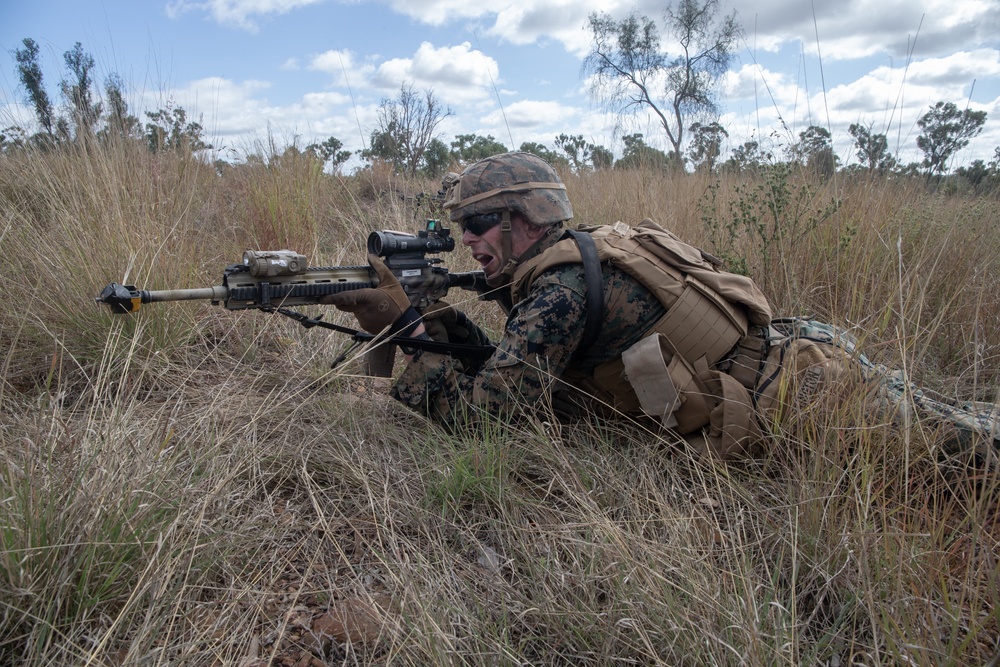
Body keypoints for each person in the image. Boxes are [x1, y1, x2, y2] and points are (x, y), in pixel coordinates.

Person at [324, 152, 999, 462]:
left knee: (973, 452)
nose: (466, 239)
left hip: (807, 392)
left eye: (477, 222)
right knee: (963, 421)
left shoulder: (557, 290)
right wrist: (426, 316)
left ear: (526, 217)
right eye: (461, 224)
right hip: (800, 357)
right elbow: (512, 367)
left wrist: (411, 330)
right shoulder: (568, 259)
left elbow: (485, 421)